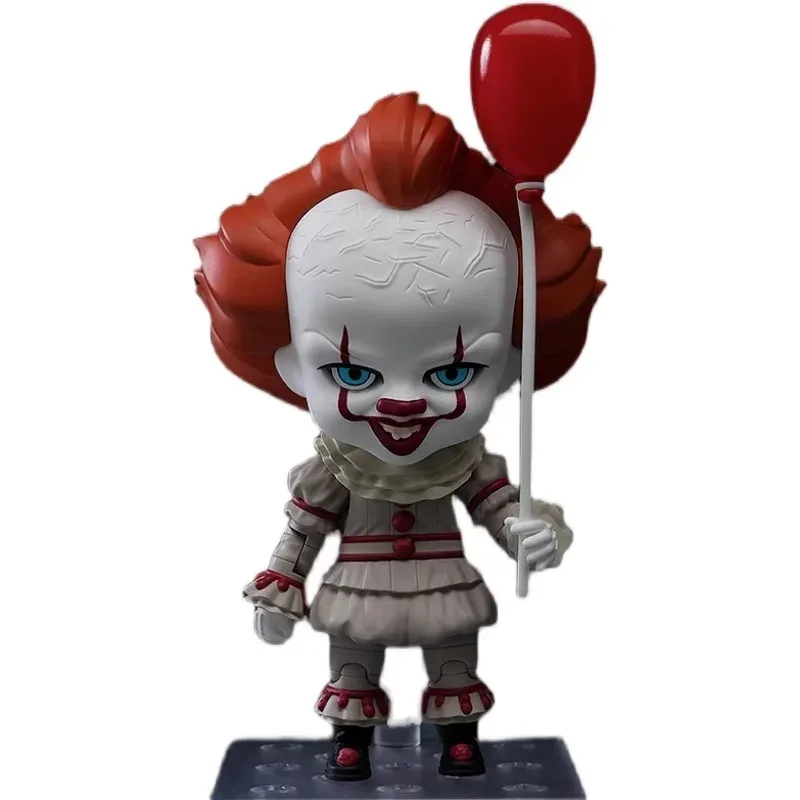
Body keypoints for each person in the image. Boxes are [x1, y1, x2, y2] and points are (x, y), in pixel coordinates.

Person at [195, 92, 604, 781]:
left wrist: (536, 533)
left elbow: (503, 510)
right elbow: (301, 534)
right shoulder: (335, 468)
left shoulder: (466, 461)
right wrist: (279, 590)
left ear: (510, 367)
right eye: (352, 370)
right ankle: (350, 738)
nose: (404, 401)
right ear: (291, 365)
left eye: (452, 370)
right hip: (360, 583)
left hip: (444, 583)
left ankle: (458, 737)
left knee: (454, 658)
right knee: (352, 662)